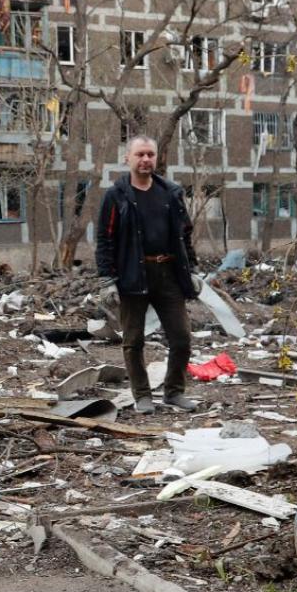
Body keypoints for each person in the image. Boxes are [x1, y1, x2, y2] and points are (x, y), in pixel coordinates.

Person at [95, 135, 201, 413]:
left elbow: (184, 234)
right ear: (127, 158)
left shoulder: (171, 193)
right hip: (132, 275)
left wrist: (191, 270)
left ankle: (174, 391)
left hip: (168, 274)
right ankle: (142, 395)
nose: (145, 160)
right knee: (133, 340)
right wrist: (108, 280)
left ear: (156, 158)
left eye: (150, 155)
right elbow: (104, 240)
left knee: (181, 338)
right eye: (140, 154)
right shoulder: (116, 196)